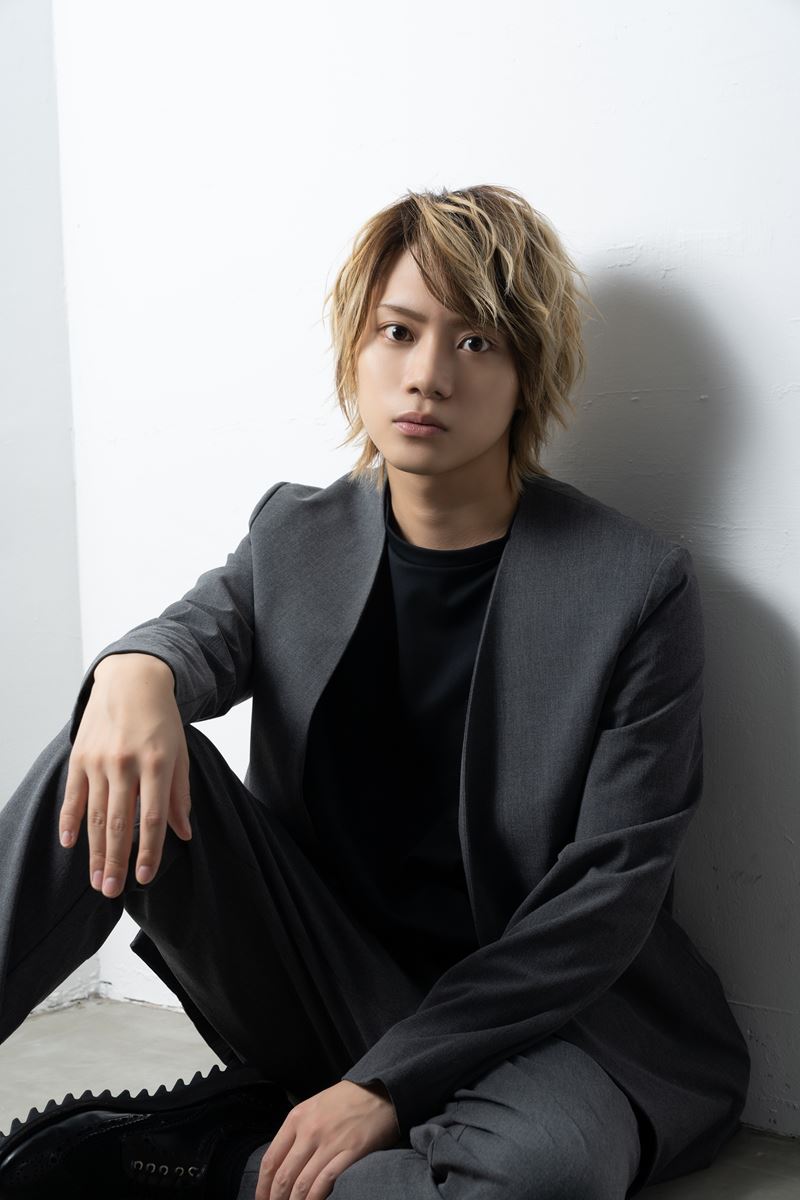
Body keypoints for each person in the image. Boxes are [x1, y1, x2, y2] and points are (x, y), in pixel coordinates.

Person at [0, 184, 750, 1200]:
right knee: (100, 754)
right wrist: (136, 670)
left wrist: (385, 1086)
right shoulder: (294, 536)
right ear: (356, 351)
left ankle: (194, 1162)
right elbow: (196, 634)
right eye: (398, 332)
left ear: (527, 373)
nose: (428, 374)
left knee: (540, 1180)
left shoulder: (634, 588)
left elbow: (604, 901)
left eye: (476, 341)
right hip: (331, 981)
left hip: (540, 1021)